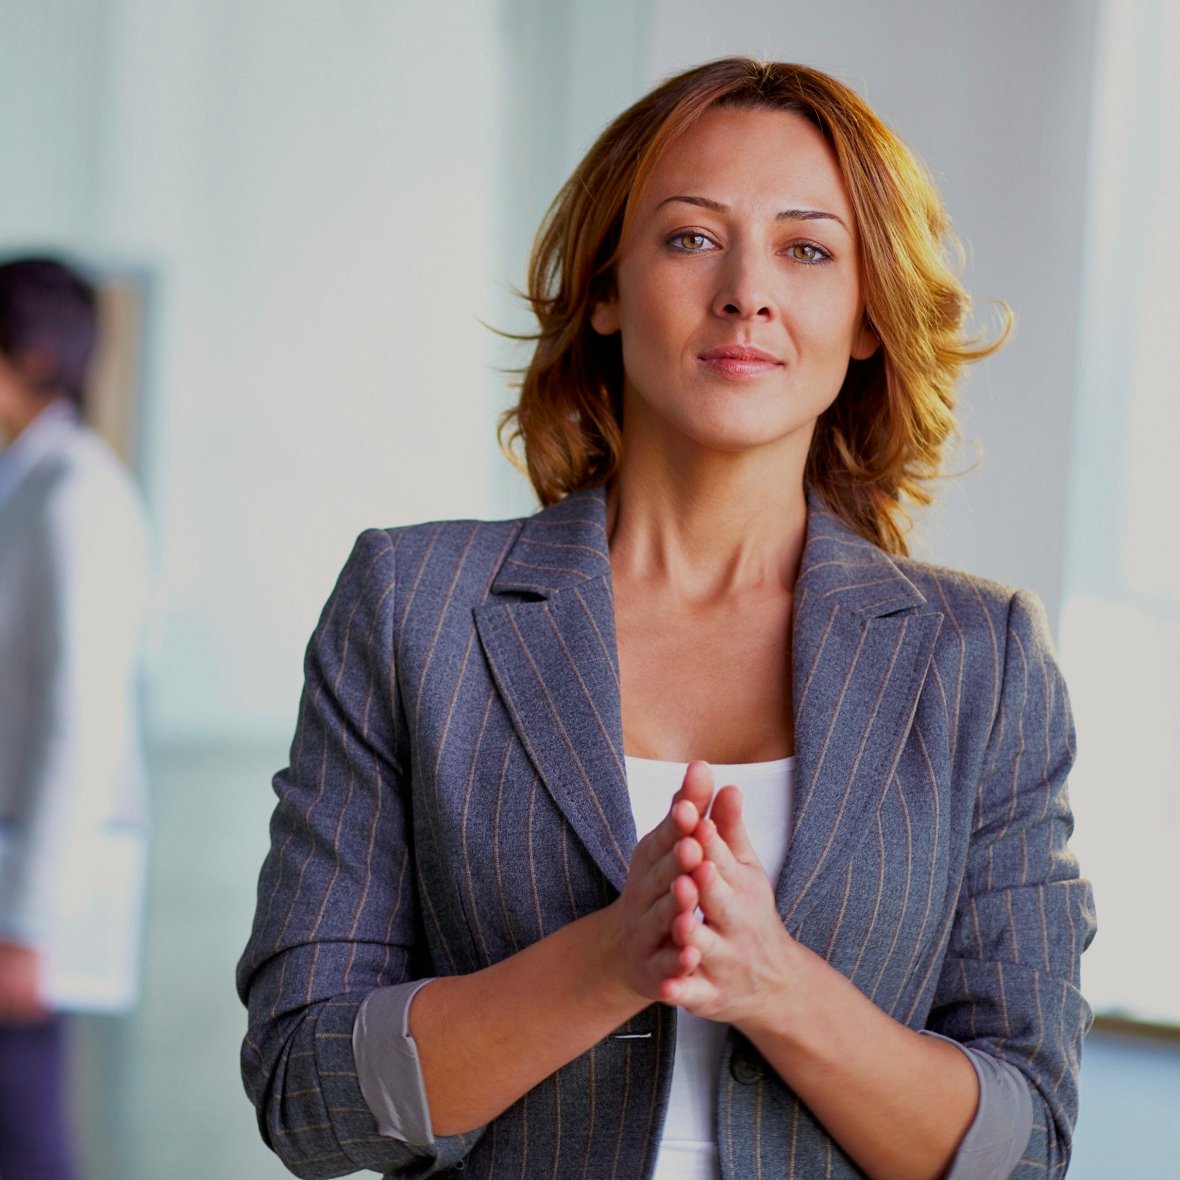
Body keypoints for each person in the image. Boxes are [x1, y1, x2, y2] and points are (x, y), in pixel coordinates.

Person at [238, 58, 1095, 1180]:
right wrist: (606, 960)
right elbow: (306, 1090)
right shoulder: (413, 606)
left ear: (867, 317)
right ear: (603, 290)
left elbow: (1021, 1145)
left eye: (807, 249)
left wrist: (774, 985)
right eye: (691, 237)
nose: (747, 290)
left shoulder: (978, 662)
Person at [0, 257, 151, 1179]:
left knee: (24, 1133)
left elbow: (80, 718)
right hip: (19, 864)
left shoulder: (74, 495)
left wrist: (31, 923)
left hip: (34, 888)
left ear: (31, 356)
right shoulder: (32, 484)